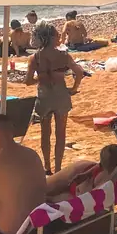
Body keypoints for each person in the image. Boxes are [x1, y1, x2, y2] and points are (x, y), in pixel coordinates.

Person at [25, 23, 83, 174]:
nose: (59, 37)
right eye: (57, 35)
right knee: (61, 133)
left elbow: (28, 81)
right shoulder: (63, 56)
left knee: (46, 133)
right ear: (49, 38)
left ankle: (47, 167)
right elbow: (79, 72)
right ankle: (58, 168)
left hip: (44, 96)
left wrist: (42, 77)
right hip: (61, 95)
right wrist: (74, 88)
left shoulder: (35, 58)